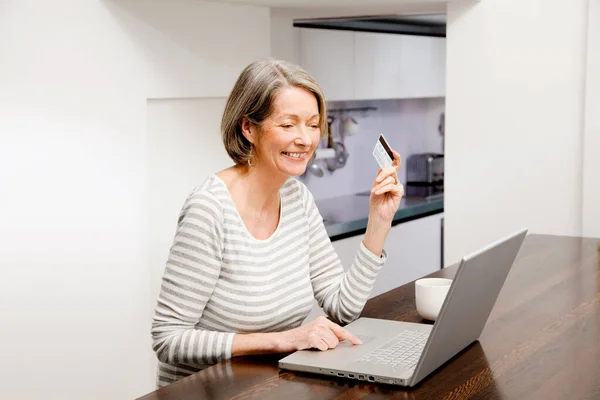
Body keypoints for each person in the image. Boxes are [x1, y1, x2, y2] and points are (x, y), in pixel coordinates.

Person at [150, 58, 404, 387]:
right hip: (203, 392)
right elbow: (168, 339)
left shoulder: (297, 198)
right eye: (288, 125)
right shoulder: (210, 209)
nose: (305, 139)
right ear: (248, 128)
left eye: (313, 125)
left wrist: (379, 221)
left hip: (266, 386)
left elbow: (342, 308)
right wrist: (282, 340)